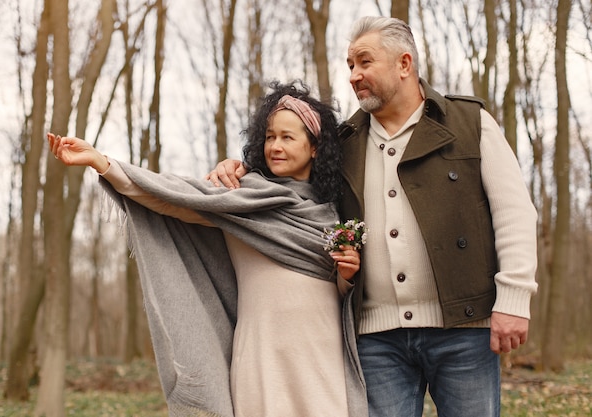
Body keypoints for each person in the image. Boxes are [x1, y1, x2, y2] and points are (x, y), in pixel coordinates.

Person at [206, 17, 539, 417]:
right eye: (349, 65)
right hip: (376, 338)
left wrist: (514, 299)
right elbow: (293, 187)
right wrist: (240, 168)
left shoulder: (469, 123)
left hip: (463, 329)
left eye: (364, 62)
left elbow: (513, 211)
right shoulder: (344, 144)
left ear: (404, 63)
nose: (354, 75)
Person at [48, 81, 368, 417]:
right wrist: (102, 163)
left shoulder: (333, 213)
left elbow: (342, 294)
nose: (276, 145)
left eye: (288, 137)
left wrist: (347, 276)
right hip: (262, 359)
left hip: (322, 356)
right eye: (271, 136)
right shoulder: (240, 197)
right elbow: (169, 196)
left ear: (315, 147)